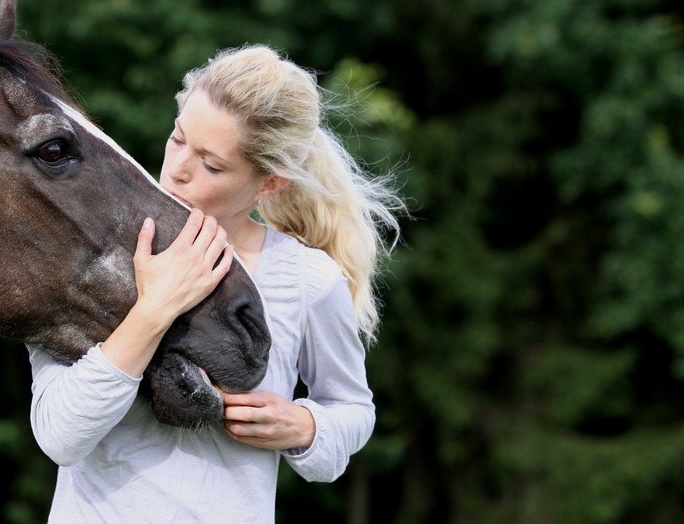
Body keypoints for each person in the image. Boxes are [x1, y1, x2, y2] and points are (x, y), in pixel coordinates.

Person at [27, 44, 403, 523]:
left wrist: (305, 426)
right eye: (178, 138)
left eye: (211, 165)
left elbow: (353, 408)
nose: (178, 168)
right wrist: (154, 309)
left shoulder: (308, 280)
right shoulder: (91, 246)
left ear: (270, 184)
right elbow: (60, 435)